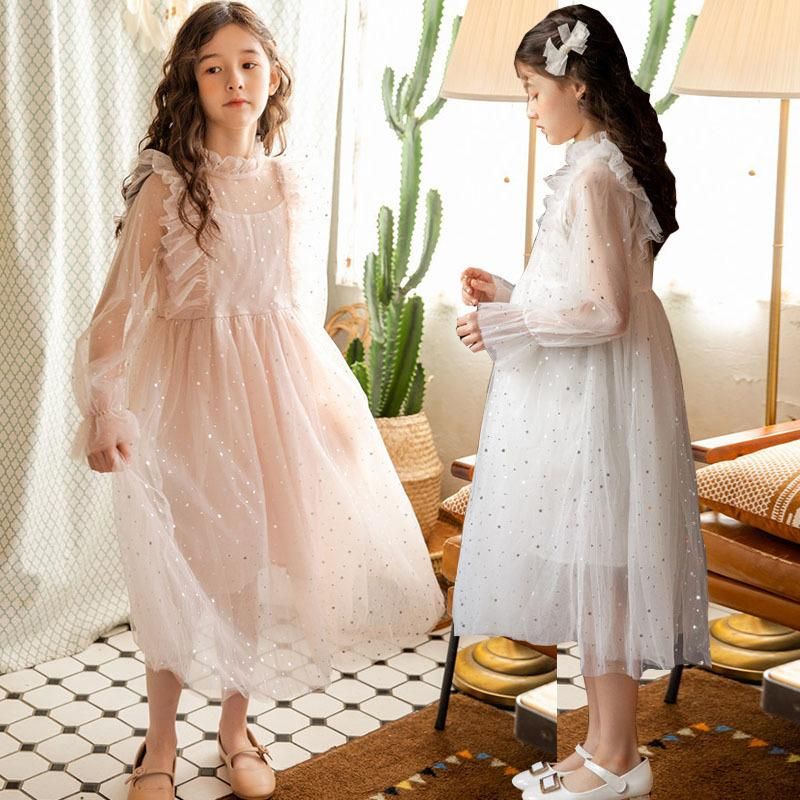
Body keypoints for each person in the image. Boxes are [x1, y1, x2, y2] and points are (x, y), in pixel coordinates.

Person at [69, 3, 444, 799]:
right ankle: (160, 740)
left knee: (249, 572)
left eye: (248, 63)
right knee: (179, 569)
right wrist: (106, 407)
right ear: (191, 84)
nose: (234, 80)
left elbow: (291, 309)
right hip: (185, 400)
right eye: (213, 67)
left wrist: (328, 407)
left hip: (271, 396)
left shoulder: (286, 183)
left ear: (273, 75)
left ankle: (235, 728)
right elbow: (115, 311)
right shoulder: (167, 185)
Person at [453, 6, 711, 799]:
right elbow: (589, 288)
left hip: (601, 394)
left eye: (533, 92)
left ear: (576, 86)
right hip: (600, 384)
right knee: (599, 569)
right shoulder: (596, 165)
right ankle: (602, 747)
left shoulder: (597, 175)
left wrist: (506, 322)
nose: (530, 109)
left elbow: (605, 310)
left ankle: (619, 758)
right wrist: (511, 292)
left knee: (605, 570)